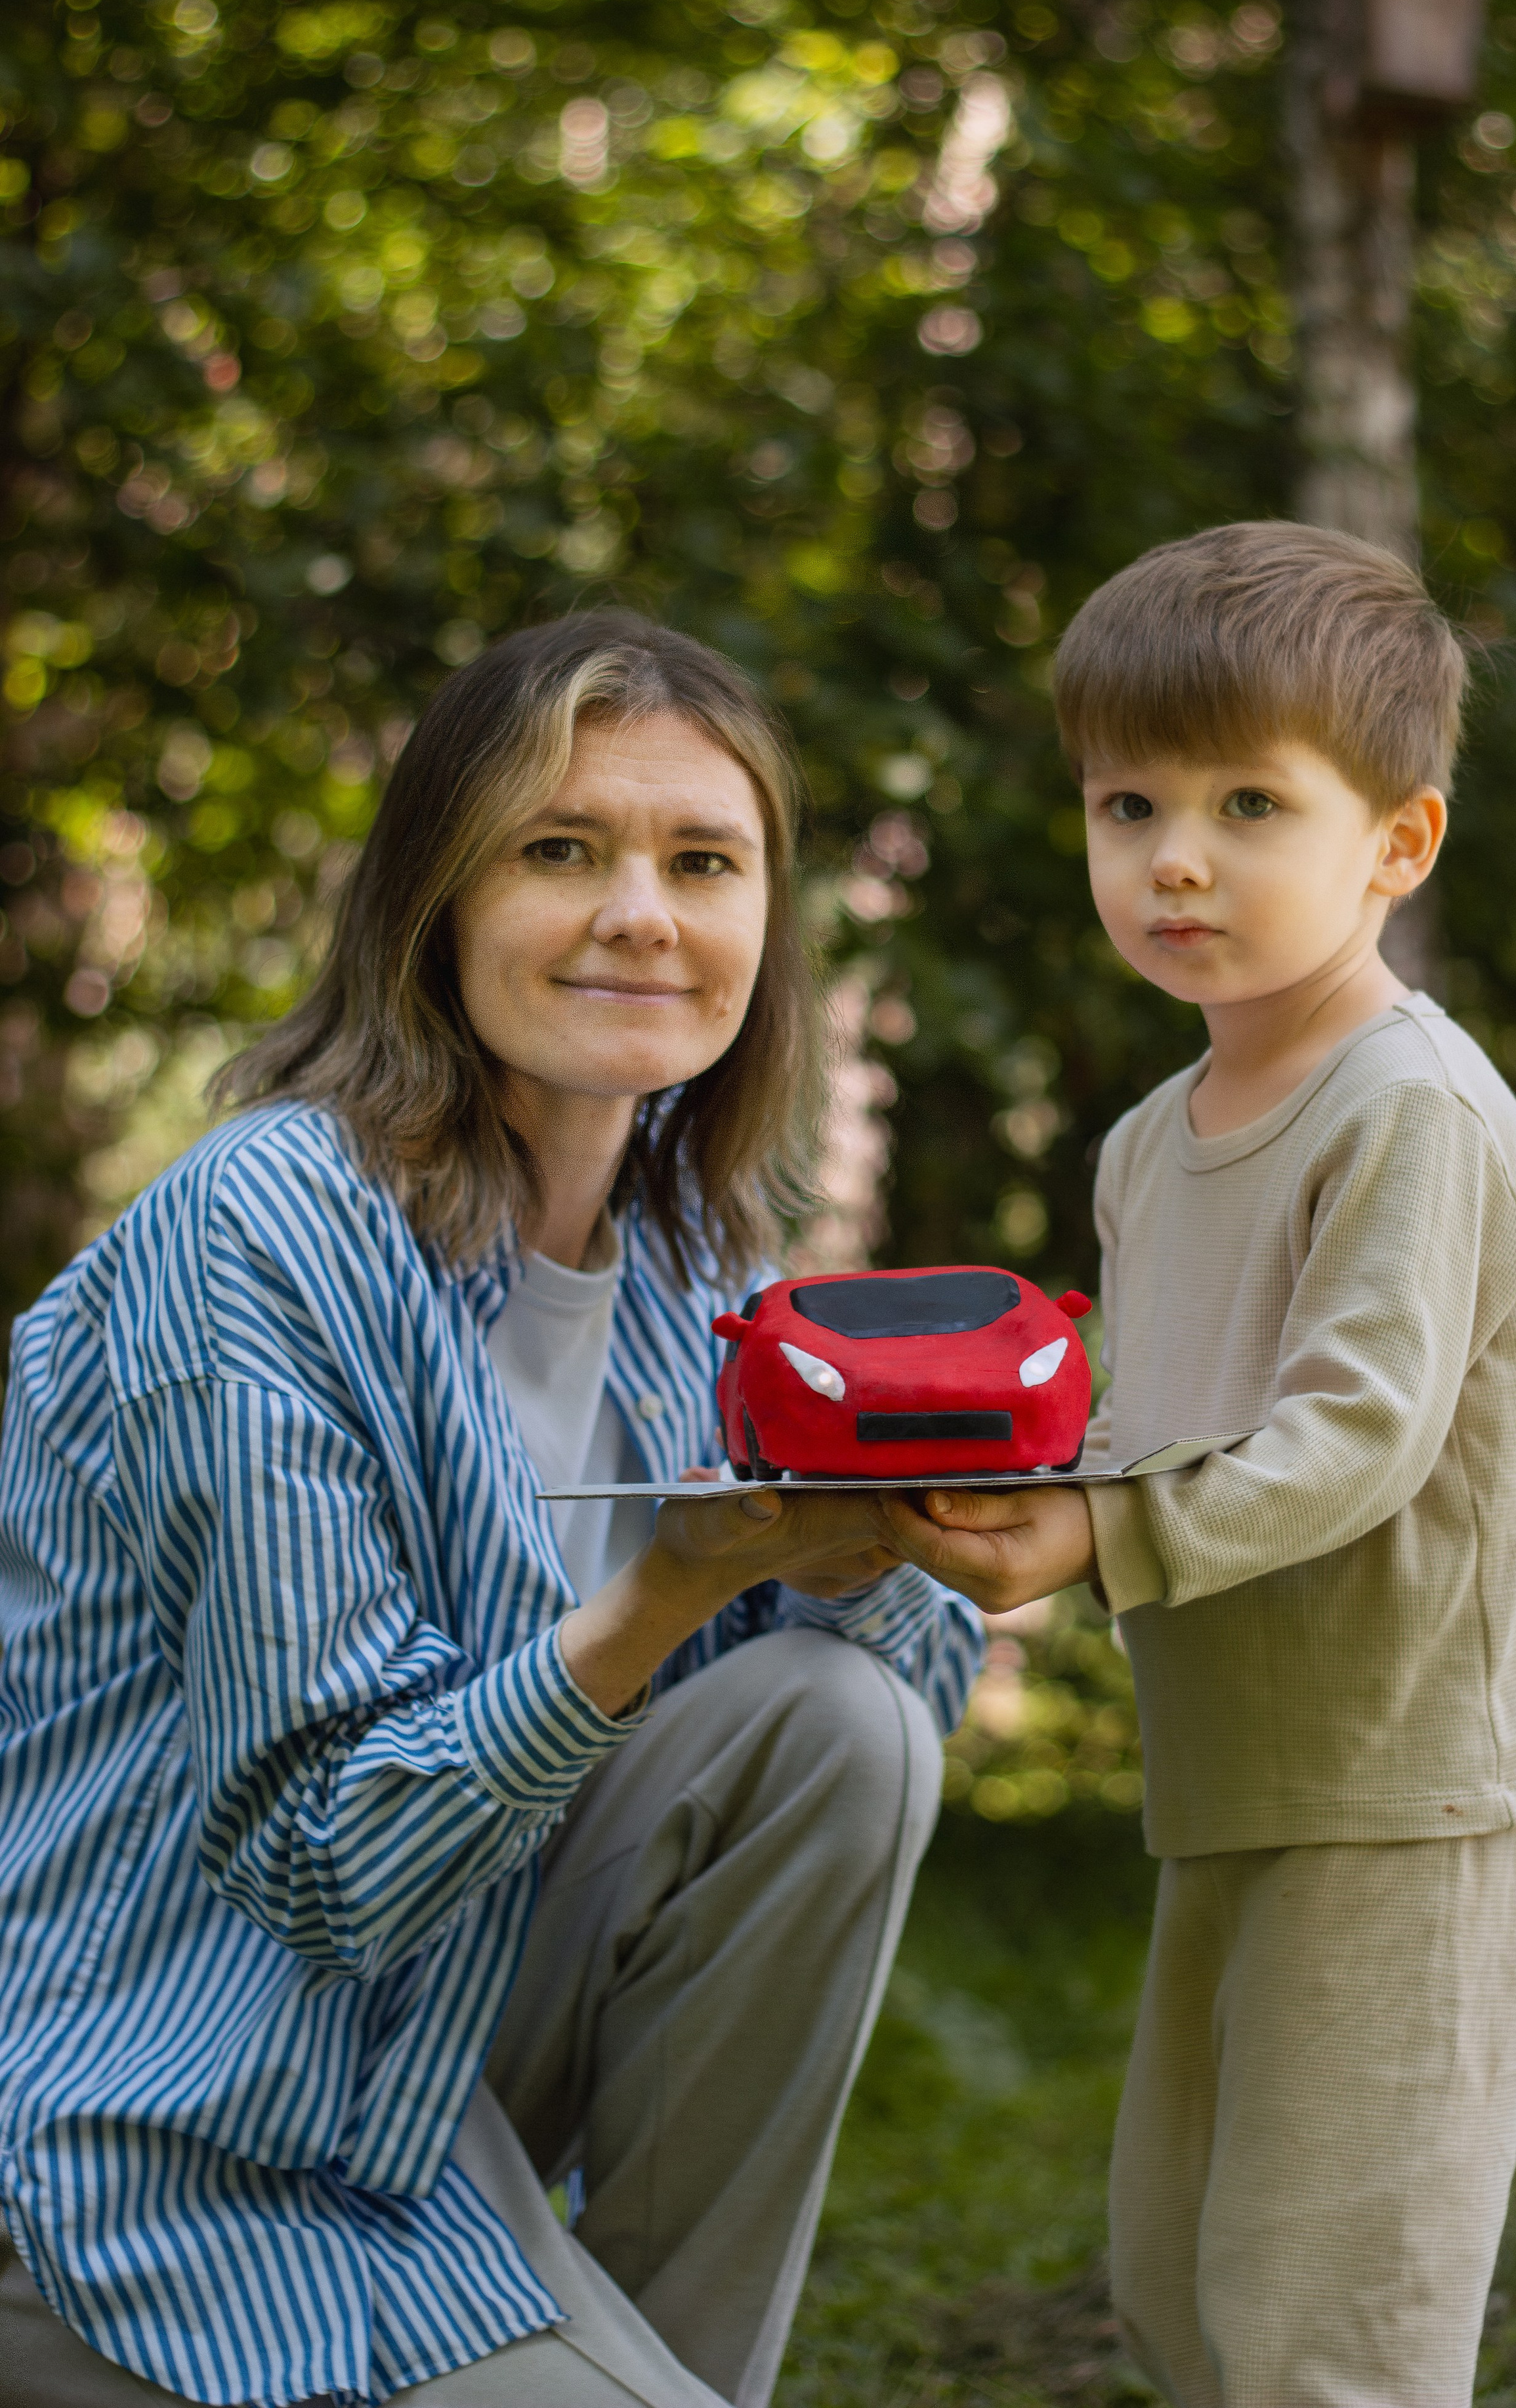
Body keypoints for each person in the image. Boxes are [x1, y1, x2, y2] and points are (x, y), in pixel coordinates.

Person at [0, 612, 984, 2408]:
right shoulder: (265, 1237)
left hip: (430, 2093)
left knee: (836, 1718)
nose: (642, 912)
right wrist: (647, 1607)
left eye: (704, 861)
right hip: (155, 2143)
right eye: (562, 849)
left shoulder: (704, 1276)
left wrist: (903, 1540)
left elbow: (869, 1743)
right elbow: (326, 1863)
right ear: (432, 901)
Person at [887, 523, 1516, 2408]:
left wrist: (1096, 1531)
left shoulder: (1414, 1115)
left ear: (1397, 843)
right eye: (1127, 802)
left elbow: (1355, 1437)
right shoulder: (1151, 1138)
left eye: (1247, 803)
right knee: (1181, 2278)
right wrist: (990, 1478)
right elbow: (1154, 1412)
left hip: (1413, 1791)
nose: (1175, 855)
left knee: (1329, 2330)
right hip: (1237, 1776)